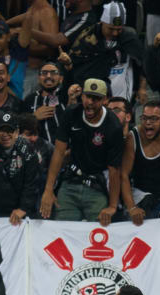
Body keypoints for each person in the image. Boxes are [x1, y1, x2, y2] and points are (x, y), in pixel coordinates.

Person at [39, 78, 124, 225]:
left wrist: (112, 206)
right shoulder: (71, 113)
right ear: (82, 96)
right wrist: (48, 189)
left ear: (104, 100)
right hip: (71, 180)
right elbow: (59, 152)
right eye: (87, 96)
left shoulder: (113, 126)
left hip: (97, 185)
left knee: (98, 231)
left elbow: (114, 170)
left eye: (96, 98)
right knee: (61, 229)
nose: (90, 102)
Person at [66, 3, 145, 103]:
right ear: (102, 22)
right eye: (111, 29)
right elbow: (76, 64)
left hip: (122, 96)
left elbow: (142, 63)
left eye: (119, 29)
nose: (115, 33)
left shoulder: (129, 38)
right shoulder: (87, 38)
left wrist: (142, 88)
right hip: (94, 94)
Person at [0, 112, 41, 223]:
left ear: (17, 133)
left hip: (18, 212)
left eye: (9, 131)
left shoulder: (28, 151)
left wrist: (23, 208)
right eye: (2, 130)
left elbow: (31, 183)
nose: (5, 134)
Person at [23, 61, 67, 145]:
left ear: (61, 78)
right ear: (39, 78)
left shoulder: (67, 96)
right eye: (44, 73)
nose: (48, 76)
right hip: (38, 153)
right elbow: (20, 130)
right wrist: (33, 118)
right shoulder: (29, 100)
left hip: (66, 153)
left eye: (53, 73)